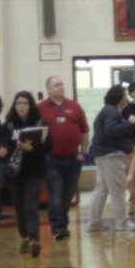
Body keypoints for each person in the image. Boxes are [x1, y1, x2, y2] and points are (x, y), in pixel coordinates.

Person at [0, 91, 50, 258]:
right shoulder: (8, 125)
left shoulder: (40, 124)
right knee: (19, 208)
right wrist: (2, 148)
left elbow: (48, 148)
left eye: (25, 103)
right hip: (15, 173)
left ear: (31, 105)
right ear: (14, 105)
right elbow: (2, 142)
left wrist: (32, 148)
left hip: (35, 171)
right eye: (18, 103)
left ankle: (34, 239)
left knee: (30, 206)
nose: (21, 106)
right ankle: (24, 237)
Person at [38, 75, 90, 241]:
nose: (61, 87)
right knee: (56, 194)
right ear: (48, 89)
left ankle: (62, 222)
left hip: (73, 158)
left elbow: (84, 131)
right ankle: (58, 227)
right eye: (57, 85)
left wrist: (84, 152)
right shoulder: (40, 108)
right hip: (51, 159)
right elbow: (35, 133)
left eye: (62, 84)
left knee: (68, 194)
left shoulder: (74, 106)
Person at [89, 84, 135, 232]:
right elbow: (111, 130)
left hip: (103, 154)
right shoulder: (111, 111)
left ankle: (94, 222)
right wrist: (129, 123)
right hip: (111, 155)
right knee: (118, 189)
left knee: (102, 189)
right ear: (119, 98)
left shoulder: (107, 110)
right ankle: (122, 222)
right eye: (124, 96)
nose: (126, 99)